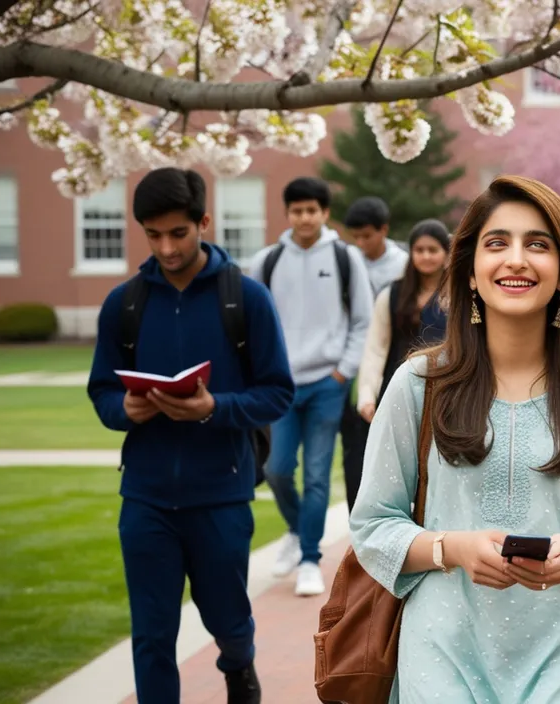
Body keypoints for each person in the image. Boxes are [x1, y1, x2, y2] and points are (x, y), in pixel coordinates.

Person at [349, 175, 560, 702]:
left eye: (538, 244)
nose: (516, 259)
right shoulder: (418, 385)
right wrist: (455, 547)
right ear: (469, 272)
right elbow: (373, 526)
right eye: (497, 243)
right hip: (442, 653)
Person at [87, 167, 294, 703]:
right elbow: (101, 393)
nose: (166, 246)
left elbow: (277, 392)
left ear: (204, 221)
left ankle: (238, 664)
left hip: (221, 493)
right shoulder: (124, 305)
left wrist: (213, 407)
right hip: (146, 495)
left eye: (178, 233)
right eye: (153, 235)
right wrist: (125, 409)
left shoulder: (246, 299)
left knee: (227, 615)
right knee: (153, 634)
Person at [246, 176, 375, 597]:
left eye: (312, 210)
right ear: (288, 214)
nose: (304, 217)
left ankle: (308, 559)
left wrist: (343, 371)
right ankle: (296, 528)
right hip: (281, 386)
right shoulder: (266, 261)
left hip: (327, 384)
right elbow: (254, 326)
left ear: (324, 213)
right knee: (277, 469)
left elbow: (363, 319)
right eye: (297, 210)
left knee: (317, 475)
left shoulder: (345, 257)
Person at [351, 219, 451, 510]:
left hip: (445, 393)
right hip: (398, 393)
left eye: (433, 249)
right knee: (395, 467)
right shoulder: (392, 294)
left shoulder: (459, 296)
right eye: (419, 249)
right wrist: (368, 395)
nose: (426, 256)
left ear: (445, 253)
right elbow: (375, 348)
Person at [339, 197, 412, 513]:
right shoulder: (348, 261)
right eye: (355, 236)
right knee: (353, 448)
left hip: (392, 365)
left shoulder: (405, 266)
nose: (361, 243)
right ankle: (358, 513)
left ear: (384, 230)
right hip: (352, 365)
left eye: (367, 235)